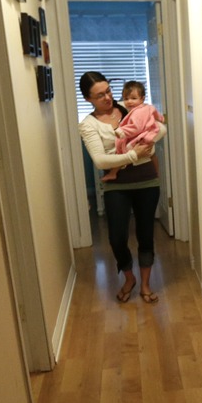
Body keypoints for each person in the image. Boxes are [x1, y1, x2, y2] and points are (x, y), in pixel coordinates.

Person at [78, 71, 165, 303]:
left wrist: (146, 147)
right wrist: (134, 154)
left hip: (147, 181)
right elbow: (101, 161)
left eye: (108, 91)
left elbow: (159, 131)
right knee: (117, 237)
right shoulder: (88, 125)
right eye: (99, 95)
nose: (107, 98)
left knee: (146, 234)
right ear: (88, 99)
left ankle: (145, 284)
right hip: (116, 186)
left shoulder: (132, 108)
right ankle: (129, 277)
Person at [100, 80, 165, 182]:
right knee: (152, 155)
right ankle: (156, 173)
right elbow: (156, 114)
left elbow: (136, 127)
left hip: (143, 134)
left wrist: (122, 131)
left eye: (133, 98)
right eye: (126, 98)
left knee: (124, 151)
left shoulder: (138, 112)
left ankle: (113, 173)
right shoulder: (147, 107)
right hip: (148, 132)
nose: (129, 101)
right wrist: (161, 119)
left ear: (142, 98)